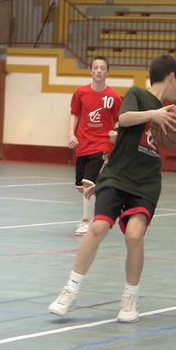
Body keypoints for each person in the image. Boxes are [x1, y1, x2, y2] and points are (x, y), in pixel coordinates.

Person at [49, 54, 176, 322]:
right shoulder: (137, 95)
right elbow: (124, 119)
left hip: (146, 181)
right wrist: (152, 115)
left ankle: (130, 298)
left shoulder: (171, 114)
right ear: (171, 77)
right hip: (117, 176)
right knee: (98, 227)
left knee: (134, 235)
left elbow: (139, 139)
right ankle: (69, 290)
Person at [67, 56, 122, 235]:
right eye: (96, 67)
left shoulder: (113, 96)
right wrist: (70, 133)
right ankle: (111, 195)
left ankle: (86, 221)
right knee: (80, 186)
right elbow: (74, 113)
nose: (99, 71)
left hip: (102, 144)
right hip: (83, 143)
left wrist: (116, 132)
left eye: (102, 68)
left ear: (107, 72)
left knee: (88, 182)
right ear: (90, 71)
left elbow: (119, 119)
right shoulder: (80, 93)